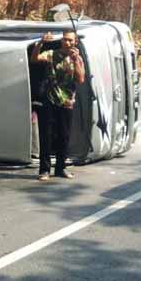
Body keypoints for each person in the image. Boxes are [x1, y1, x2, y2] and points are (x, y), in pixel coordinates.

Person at [31, 31, 85, 181]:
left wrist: (75, 60)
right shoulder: (51, 54)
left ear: (75, 42)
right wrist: (40, 43)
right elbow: (34, 59)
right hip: (49, 99)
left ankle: (61, 168)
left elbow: (80, 79)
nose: (67, 43)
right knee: (46, 135)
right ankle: (44, 170)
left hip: (67, 102)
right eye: (64, 40)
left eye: (70, 40)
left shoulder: (77, 58)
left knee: (64, 136)